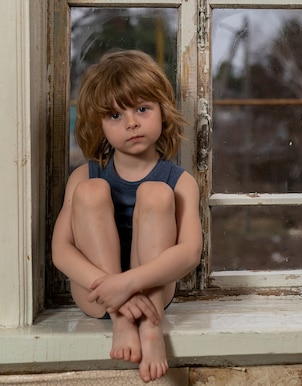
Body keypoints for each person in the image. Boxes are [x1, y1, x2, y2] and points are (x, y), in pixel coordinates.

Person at [52, 50, 202, 383]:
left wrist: (128, 284)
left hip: (151, 293)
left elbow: (189, 252)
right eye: (115, 116)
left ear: (163, 110)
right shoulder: (84, 175)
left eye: (142, 109)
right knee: (90, 191)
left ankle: (150, 330)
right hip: (97, 294)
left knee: (156, 192)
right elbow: (61, 250)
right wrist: (108, 288)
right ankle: (122, 321)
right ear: (99, 126)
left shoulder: (180, 182)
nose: (131, 122)